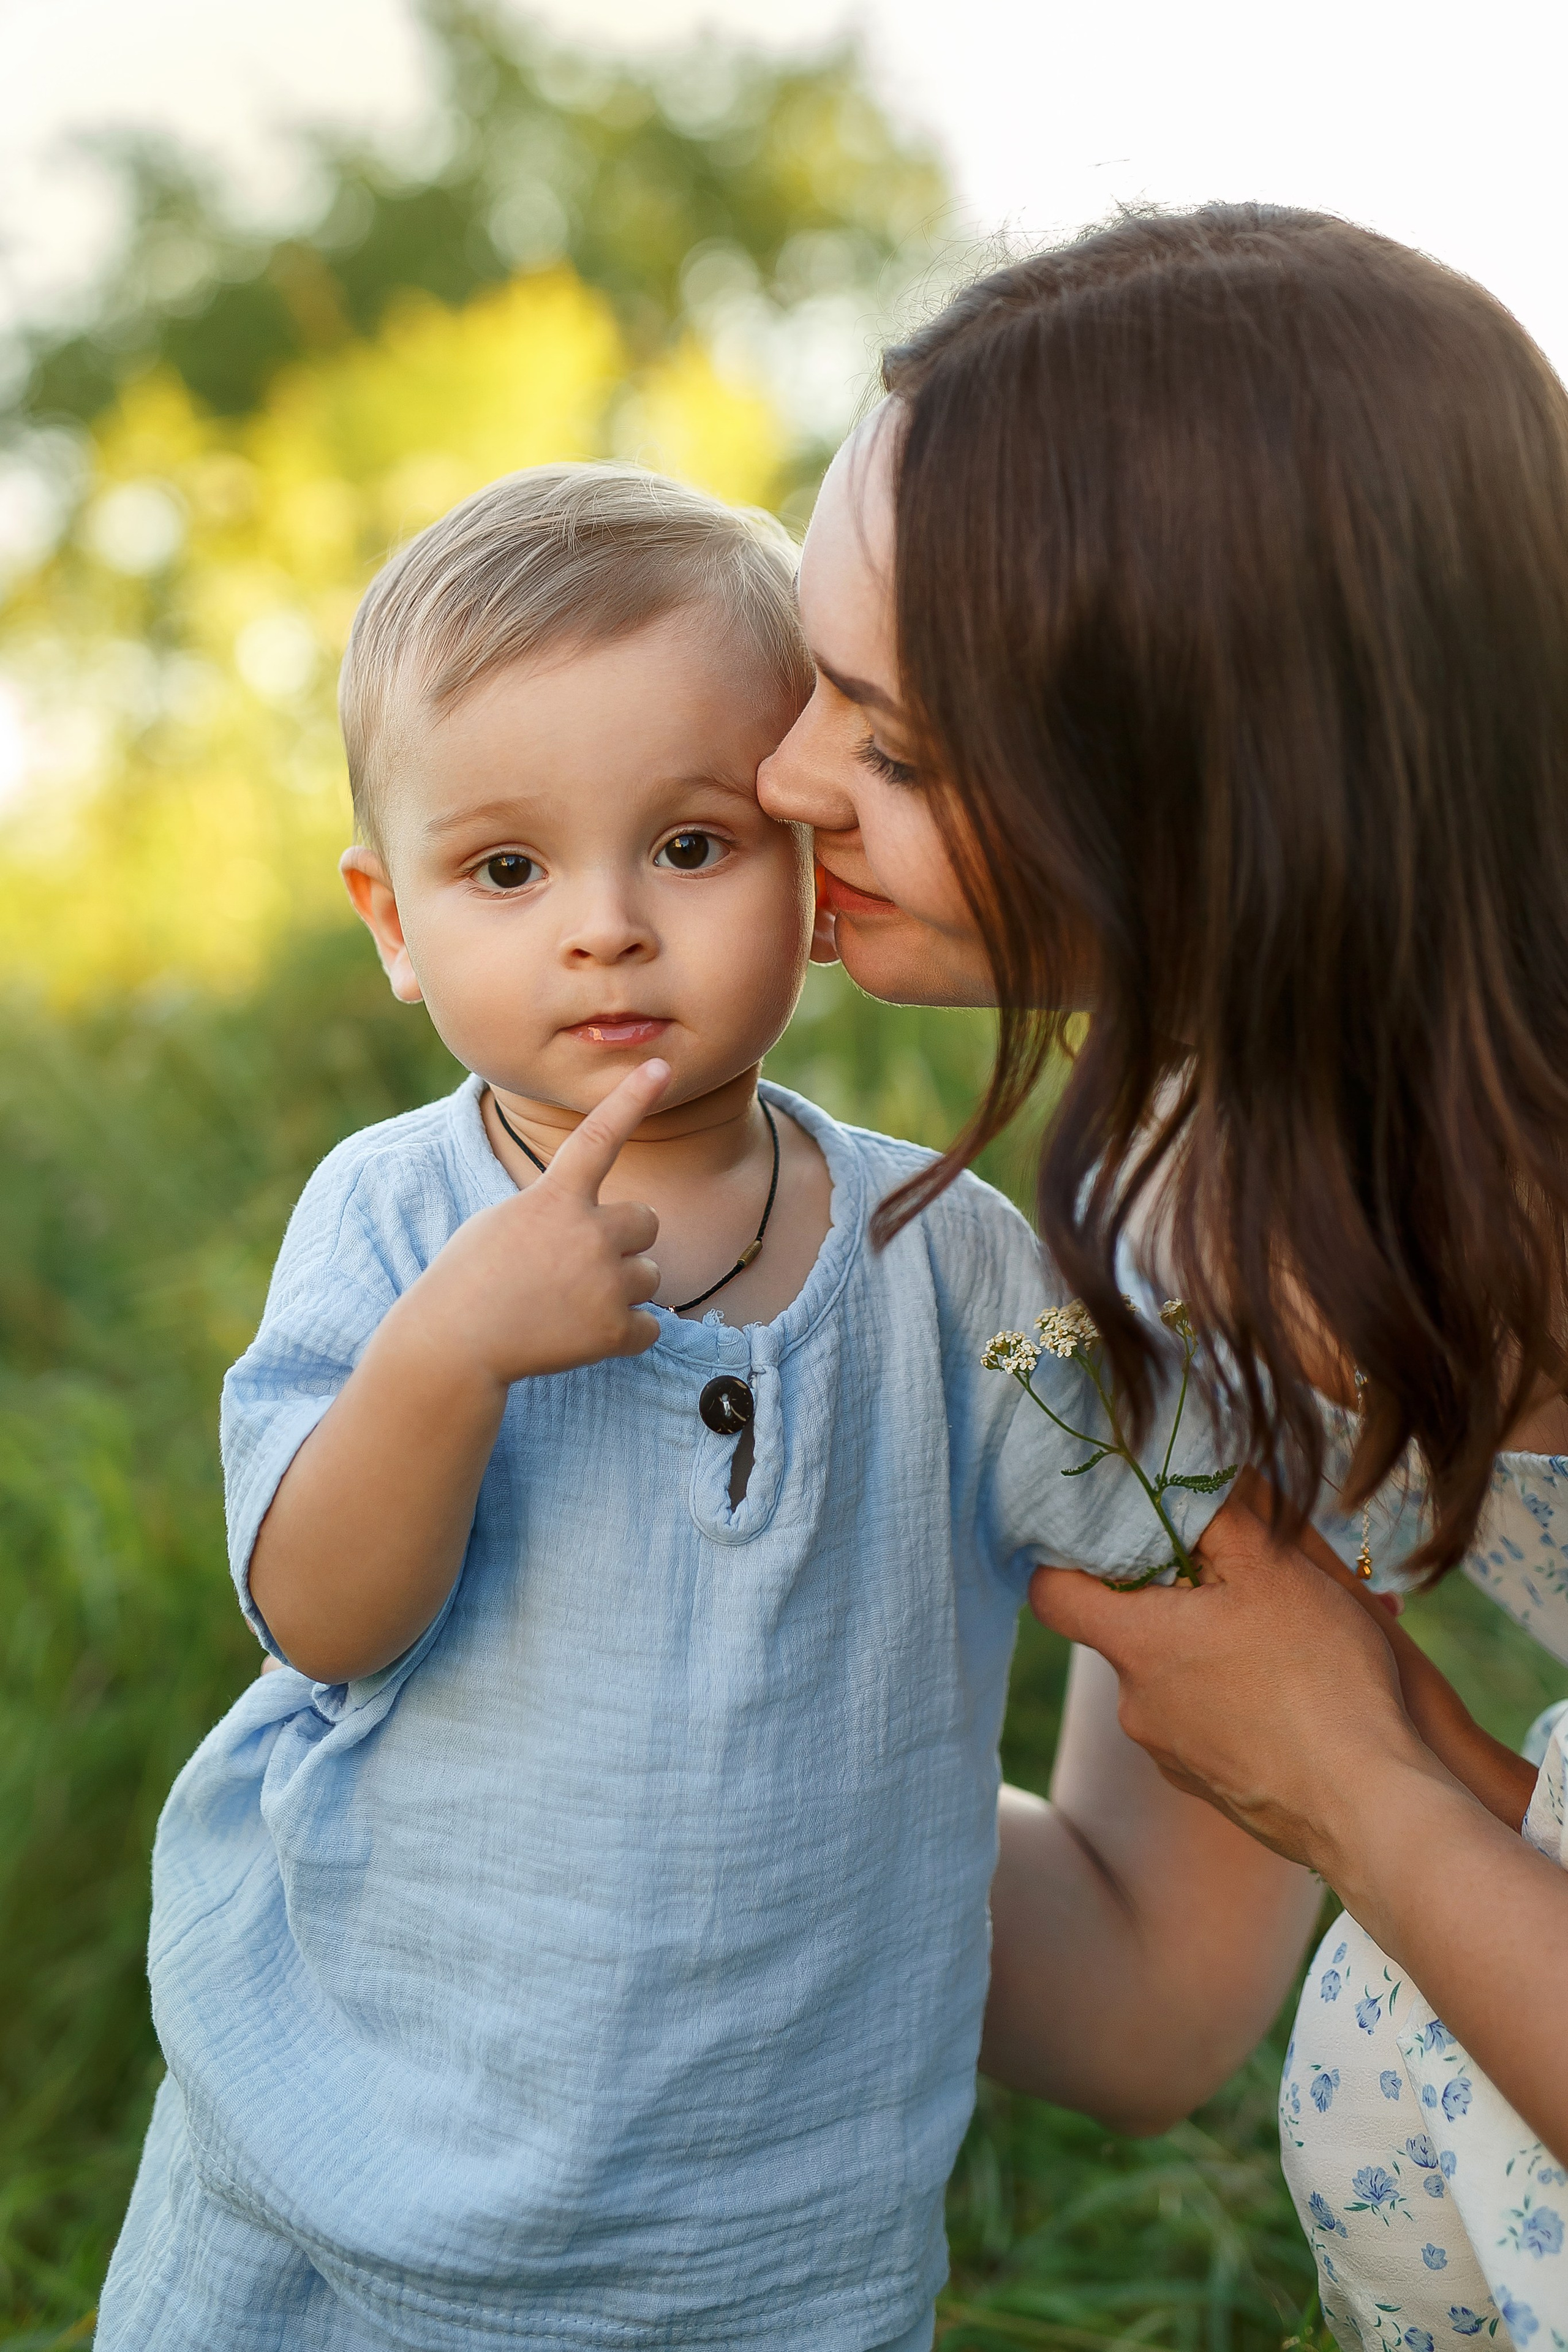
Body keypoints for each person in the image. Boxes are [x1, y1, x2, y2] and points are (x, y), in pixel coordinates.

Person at [98, 462, 1262, 2352]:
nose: (607, 927)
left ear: (814, 877)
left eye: (693, 845)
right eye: (507, 871)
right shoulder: (397, 1218)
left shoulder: (945, 1254)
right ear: (390, 920)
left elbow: (1176, 1519)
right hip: (356, 2161)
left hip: (768, 2217)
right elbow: (318, 1617)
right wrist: (448, 1358)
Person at [758, 205, 1568, 2343]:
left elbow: (1348, 1792)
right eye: (806, 677)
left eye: (893, 746)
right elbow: (1139, 1979)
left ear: (1231, 793)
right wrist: (662, 1710)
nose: (777, 782)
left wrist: (1375, 1794)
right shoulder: (1200, 1211)